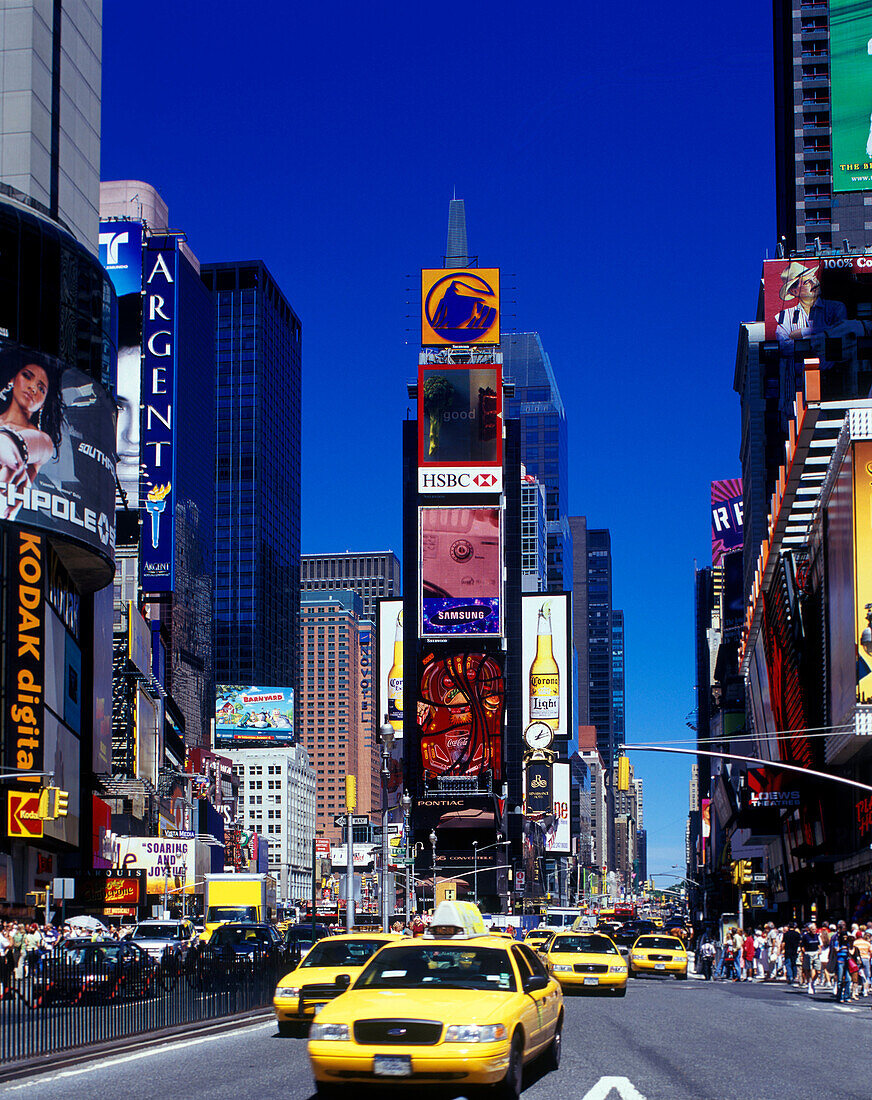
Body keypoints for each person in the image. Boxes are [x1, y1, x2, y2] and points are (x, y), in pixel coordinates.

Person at [0, 349, 64, 519]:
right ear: (13, 379)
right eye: (27, 376)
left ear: (44, 402)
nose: (32, 388)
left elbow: (10, 449)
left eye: (41, 388)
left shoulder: (42, 441)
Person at [774, 262, 848, 343]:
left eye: (814, 278)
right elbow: (784, 346)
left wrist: (802, 332)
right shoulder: (785, 316)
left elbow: (841, 333)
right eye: (807, 282)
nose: (814, 283)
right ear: (794, 291)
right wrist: (821, 334)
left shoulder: (836, 308)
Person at [830, 921, 853, 1004]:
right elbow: (835, 950)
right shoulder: (837, 942)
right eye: (844, 936)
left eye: (846, 936)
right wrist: (841, 948)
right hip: (840, 960)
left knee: (848, 979)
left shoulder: (848, 943)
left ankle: (847, 996)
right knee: (840, 979)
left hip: (847, 960)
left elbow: (851, 951)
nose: (845, 938)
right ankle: (839, 995)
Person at [801, 922, 821, 995]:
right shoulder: (805, 936)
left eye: (815, 929)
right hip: (808, 953)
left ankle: (812, 981)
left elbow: (818, 944)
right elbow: (802, 945)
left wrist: (819, 950)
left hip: (815, 953)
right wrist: (804, 953)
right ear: (809, 930)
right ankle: (809, 982)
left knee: (818, 970)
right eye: (813, 929)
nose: (814, 930)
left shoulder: (816, 936)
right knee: (808, 969)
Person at [781, 921, 802, 986]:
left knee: (788, 964)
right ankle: (794, 975)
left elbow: (783, 943)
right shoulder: (797, 934)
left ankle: (790, 976)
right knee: (794, 964)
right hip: (794, 950)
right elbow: (800, 942)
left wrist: (783, 949)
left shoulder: (786, 934)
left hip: (788, 950)